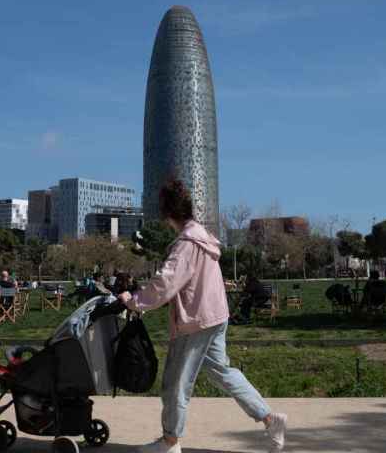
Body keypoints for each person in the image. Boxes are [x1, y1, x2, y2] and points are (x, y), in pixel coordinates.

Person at [117, 179, 287, 453]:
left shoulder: (186, 244)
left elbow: (166, 282)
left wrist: (134, 301)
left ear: (166, 214)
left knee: (175, 382)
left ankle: (170, 442)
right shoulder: (203, 237)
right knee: (223, 371)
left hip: (195, 321)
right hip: (215, 316)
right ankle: (270, 419)